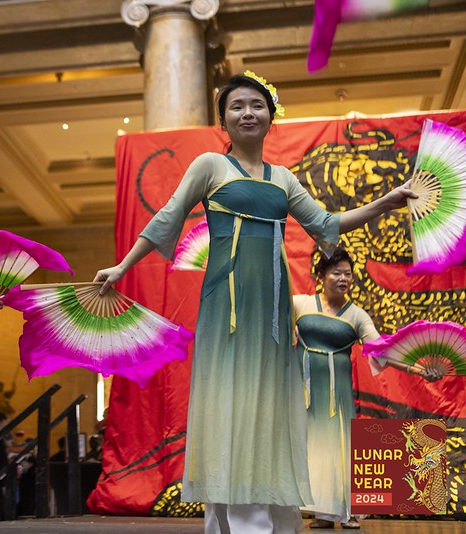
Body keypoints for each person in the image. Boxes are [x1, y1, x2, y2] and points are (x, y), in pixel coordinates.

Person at [93, 71, 417, 534]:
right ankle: (233, 519)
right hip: (226, 308)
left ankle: (266, 507)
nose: (248, 112)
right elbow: (168, 216)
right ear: (224, 120)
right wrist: (122, 267)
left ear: (271, 116)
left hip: (272, 315)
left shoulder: (282, 178)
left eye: (257, 105)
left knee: (266, 405)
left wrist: (385, 202)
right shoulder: (210, 165)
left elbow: (327, 222)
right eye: (237, 106)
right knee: (228, 403)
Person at [295, 247, 442, 530]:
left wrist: (419, 369)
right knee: (309, 446)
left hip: (336, 393)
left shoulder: (357, 315)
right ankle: (323, 513)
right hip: (301, 389)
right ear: (321, 275)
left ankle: (347, 512)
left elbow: (383, 352)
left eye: (348, 274)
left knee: (339, 446)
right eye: (336, 272)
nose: (343, 279)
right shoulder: (300, 304)